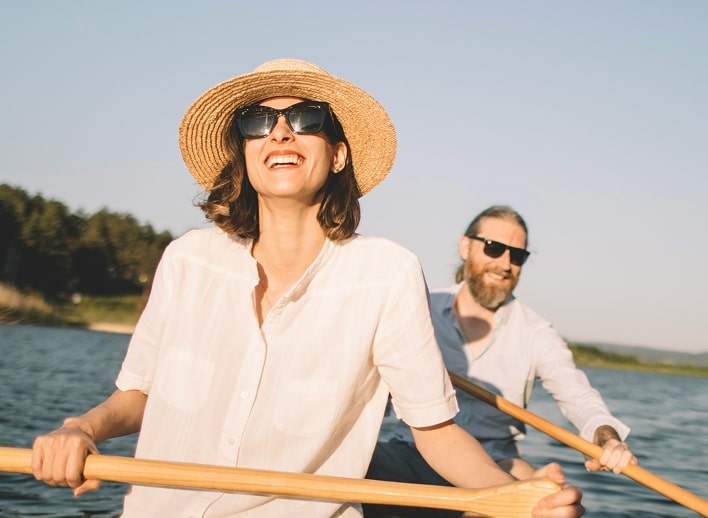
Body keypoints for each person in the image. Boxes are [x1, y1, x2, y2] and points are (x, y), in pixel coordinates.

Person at [30, 61, 583, 517]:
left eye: (305, 117)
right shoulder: (187, 261)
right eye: (257, 122)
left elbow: (434, 433)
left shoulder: (385, 273)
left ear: (338, 154)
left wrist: (505, 498)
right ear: (244, 157)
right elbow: (138, 397)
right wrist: (80, 429)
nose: (280, 131)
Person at [365, 204, 635, 516]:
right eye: (494, 248)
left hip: (497, 463)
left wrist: (607, 438)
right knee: (343, 464)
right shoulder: (418, 308)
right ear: (465, 247)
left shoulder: (536, 333)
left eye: (517, 255)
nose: (505, 263)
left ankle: (529, 486)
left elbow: (577, 395)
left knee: (542, 498)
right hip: (412, 454)